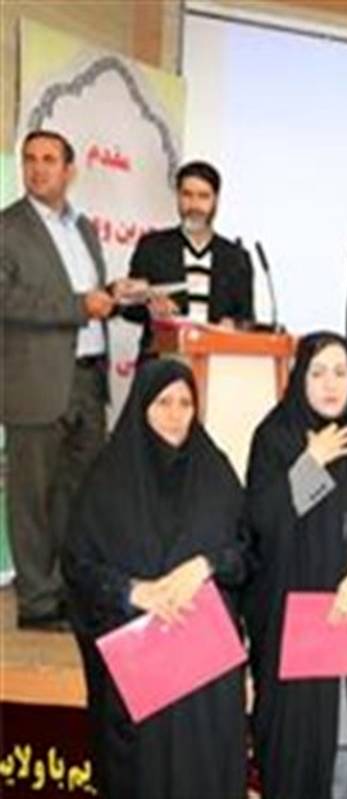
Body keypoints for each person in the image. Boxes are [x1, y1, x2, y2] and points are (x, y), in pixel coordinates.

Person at [62, 359, 247, 798]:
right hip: (139, 671)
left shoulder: (216, 473)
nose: (175, 414)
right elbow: (78, 566)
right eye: (163, 402)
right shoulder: (107, 480)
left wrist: (207, 565)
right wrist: (132, 592)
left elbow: (250, 550)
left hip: (205, 680)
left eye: (185, 403)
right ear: (141, 405)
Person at [244, 333, 347, 799]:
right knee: (304, 751)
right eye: (318, 373)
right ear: (300, 379)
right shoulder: (275, 437)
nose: (331, 384)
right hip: (300, 627)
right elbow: (262, 523)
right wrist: (311, 463)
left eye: (340, 372)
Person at [2, 129, 127, 631]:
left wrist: (115, 293)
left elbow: (85, 293)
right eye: (30, 159)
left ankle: (67, 591)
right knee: (32, 499)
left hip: (88, 380)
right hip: (36, 383)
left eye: (49, 159)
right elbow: (6, 299)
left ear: (69, 170)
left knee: (77, 498)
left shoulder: (85, 228)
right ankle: (36, 602)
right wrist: (79, 306)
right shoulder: (8, 227)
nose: (38, 168)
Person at [122, 160, 255, 356]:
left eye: (203, 196)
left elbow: (247, 319)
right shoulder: (152, 247)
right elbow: (128, 308)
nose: (194, 205)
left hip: (217, 360)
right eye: (187, 195)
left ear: (216, 200)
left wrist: (234, 324)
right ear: (177, 196)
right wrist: (151, 309)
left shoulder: (237, 258)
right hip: (163, 360)